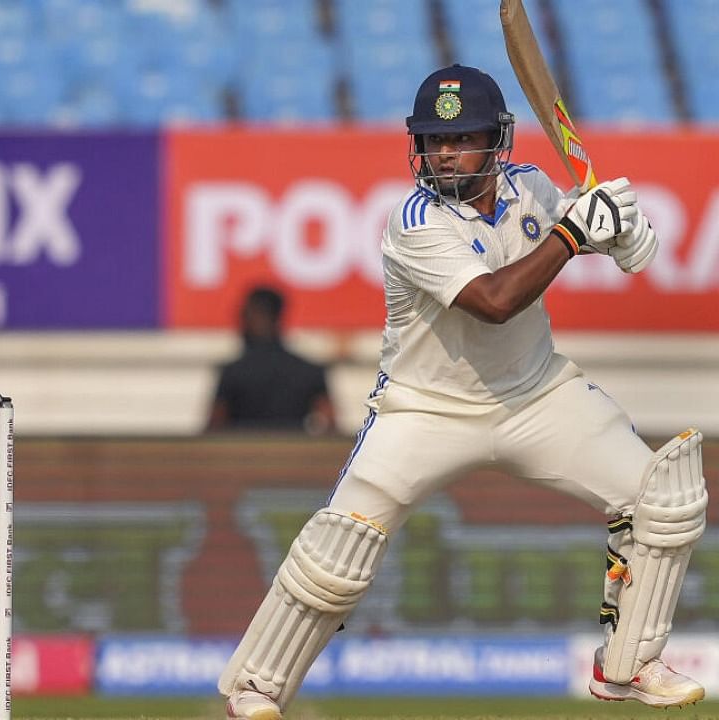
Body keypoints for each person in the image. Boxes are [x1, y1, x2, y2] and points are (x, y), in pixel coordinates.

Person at [219, 64, 705, 720]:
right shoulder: (414, 221)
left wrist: (620, 230)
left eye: (462, 138)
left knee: (664, 498)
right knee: (341, 545)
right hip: (423, 408)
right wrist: (574, 235)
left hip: (535, 394)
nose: (444, 152)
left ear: (495, 140)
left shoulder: (530, 186)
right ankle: (256, 688)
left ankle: (628, 664)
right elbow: (496, 300)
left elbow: (585, 236)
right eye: (433, 139)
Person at [207, 286, 335, 434]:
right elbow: (330, 426)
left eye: (244, 316)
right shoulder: (309, 371)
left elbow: (214, 428)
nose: (240, 326)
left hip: (243, 454)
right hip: (295, 453)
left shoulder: (233, 372)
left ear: (255, 315)